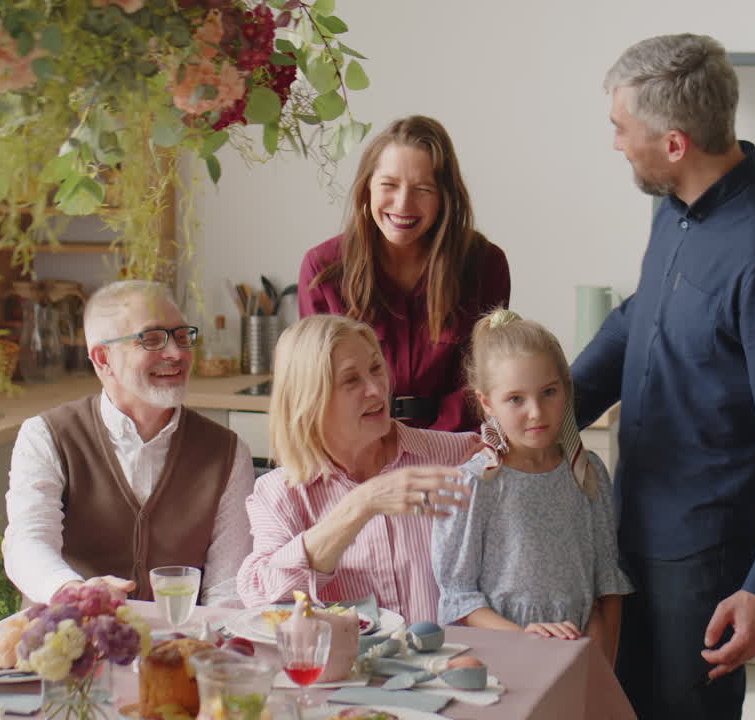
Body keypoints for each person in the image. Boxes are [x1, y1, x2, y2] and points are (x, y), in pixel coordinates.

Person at [570, 34, 755, 718]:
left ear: (674, 143)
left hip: (705, 556)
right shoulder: (675, 210)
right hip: (633, 523)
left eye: (620, 129)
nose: (615, 144)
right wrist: (547, 414)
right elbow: (639, 322)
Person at [3, 280, 255, 606]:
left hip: (178, 648)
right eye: (151, 339)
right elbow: (27, 543)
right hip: (66, 643)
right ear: (102, 358)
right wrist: (73, 592)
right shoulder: (46, 436)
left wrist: (210, 650)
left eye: (182, 336)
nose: (176, 353)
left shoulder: (227, 453)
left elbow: (228, 590)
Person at [237, 314, 481, 622]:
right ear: (311, 400)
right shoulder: (278, 494)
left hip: (451, 665)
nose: (377, 390)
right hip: (348, 670)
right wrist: (361, 504)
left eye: (376, 369)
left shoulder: (452, 456)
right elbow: (260, 594)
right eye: (352, 380)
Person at [431, 309, 633, 666]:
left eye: (549, 392)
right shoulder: (472, 485)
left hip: (580, 655)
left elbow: (608, 582)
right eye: (516, 399)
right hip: (502, 659)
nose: (537, 412)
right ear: (486, 402)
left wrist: (605, 662)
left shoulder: (588, 472)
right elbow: (459, 597)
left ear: (566, 389)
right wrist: (526, 639)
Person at [299, 115, 510, 433]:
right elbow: (318, 385)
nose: (402, 203)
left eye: (423, 189)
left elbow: (481, 378)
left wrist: (426, 449)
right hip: (356, 449)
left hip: (453, 453)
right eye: (389, 185)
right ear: (366, 187)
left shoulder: (485, 264)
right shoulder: (322, 269)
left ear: (445, 197)